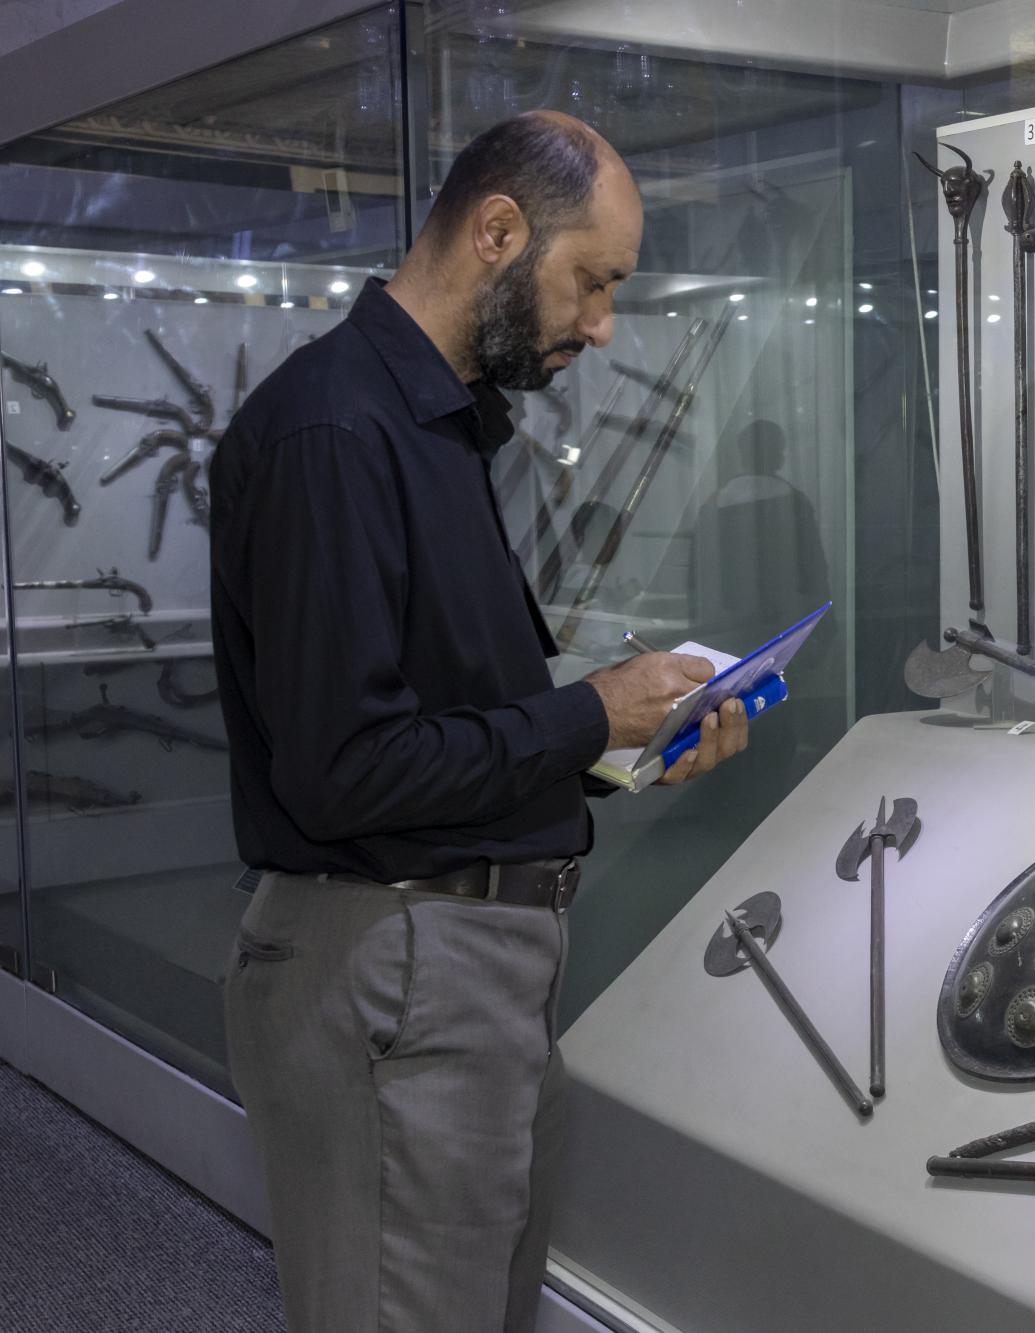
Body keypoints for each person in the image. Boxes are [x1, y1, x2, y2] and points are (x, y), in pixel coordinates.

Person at [209, 110, 746, 1333]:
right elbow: (344, 770)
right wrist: (587, 711)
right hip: (394, 965)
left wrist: (620, 744)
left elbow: (451, 720)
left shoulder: (430, 427)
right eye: (592, 281)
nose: (600, 325)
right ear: (498, 231)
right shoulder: (336, 431)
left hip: (464, 972)